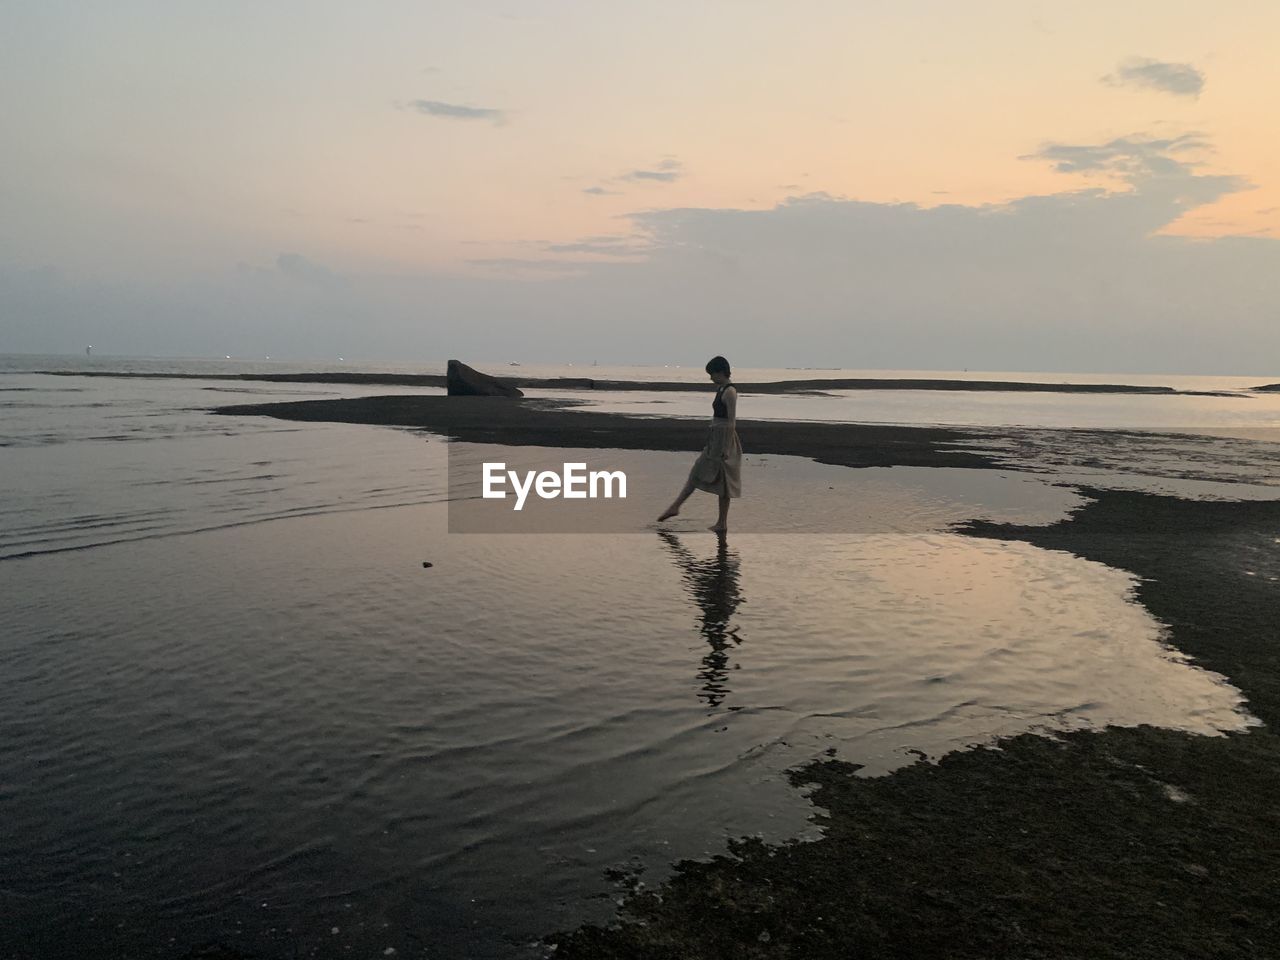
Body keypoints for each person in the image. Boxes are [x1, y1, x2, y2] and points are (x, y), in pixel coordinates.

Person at [657, 356, 742, 531]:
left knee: (724, 483)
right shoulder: (721, 389)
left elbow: (731, 422)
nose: (711, 378)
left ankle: (722, 523)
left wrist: (725, 448)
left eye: (712, 374)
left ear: (720, 372)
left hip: (724, 440)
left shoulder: (730, 392)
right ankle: (676, 507)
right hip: (715, 438)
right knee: (697, 471)